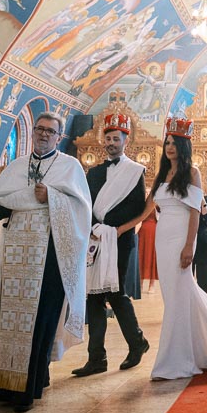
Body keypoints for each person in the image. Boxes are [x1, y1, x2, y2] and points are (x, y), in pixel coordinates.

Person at [0, 112, 90, 411]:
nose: (44, 135)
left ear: (60, 137)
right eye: (40, 129)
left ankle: (28, 389)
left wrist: (53, 198)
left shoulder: (70, 168)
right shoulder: (17, 167)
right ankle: (8, 385)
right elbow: (5, 206)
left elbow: (82, 212)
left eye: (51, 131)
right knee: (14, 320)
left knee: (41, 321)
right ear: (34, 133)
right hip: (17, 255)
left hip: (51, 257)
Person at [144, 117, 207, 380]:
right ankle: (194, 349)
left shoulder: (192, 172)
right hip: (163, 238)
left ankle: (175, 360)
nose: (169, 147)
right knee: (177, 296)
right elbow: (148, 208)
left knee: (178, 296)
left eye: (174, 143)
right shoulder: (162, 174)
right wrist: (121, 227)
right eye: (167, 142)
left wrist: (189, 246)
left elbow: (195, 212)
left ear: (184, 146)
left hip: (182, 238)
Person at [76, 112, 148, 378]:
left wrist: (113, 229)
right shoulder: (93, 173)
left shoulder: (134, 171)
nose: (111, 143)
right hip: (96, 239)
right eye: (107, 138)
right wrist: (94, 229)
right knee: (93, 296)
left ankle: (137, 342)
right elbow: (87, 203)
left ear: (125, 141)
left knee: (116, 293)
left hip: (120, 239)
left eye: (116, 138)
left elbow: (137, 207)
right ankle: (97, 358)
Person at [193, 192, 207, 294]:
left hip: (203, 240)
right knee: (186, 277)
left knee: (203, 279)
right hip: (188, 239)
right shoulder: (186, 198)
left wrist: (202, 200)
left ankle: (202, 305)